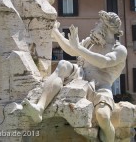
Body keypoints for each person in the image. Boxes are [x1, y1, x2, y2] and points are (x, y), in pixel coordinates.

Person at [15, 10, 127, 142]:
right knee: (63, 64)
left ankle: (108, 137)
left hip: (101, 88)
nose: (96, 24)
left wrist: (78, 48)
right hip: (81, 76)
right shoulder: (91, 42)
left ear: (106, 27)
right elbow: (71, 49)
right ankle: (39, 108)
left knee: (103, 117)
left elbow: (104, 62)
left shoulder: (119, 50)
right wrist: (55, 32)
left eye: (99, 23)